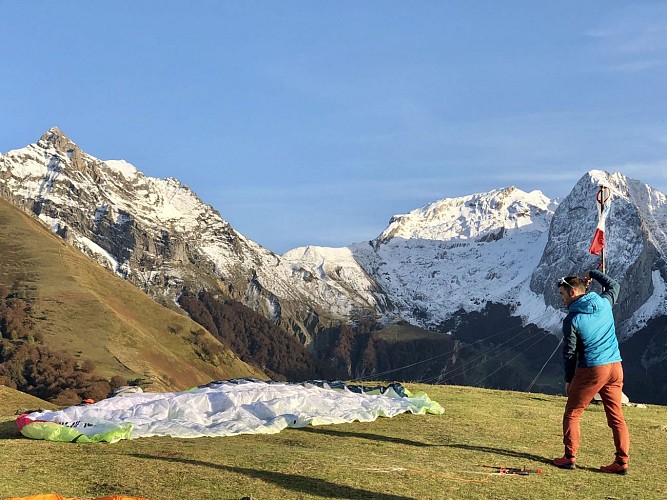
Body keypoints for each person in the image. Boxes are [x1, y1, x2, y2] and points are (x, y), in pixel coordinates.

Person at [552, 270, 630, 475]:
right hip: (615, 366)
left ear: (572, 293)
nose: (561, 299)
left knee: (573, 412)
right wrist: (593, 274)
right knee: (616, 416)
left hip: (593, 368)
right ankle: (621, 462)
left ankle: (569, 458)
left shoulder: (572, 319)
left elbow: (569, 353)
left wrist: (569, 379)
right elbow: (615, 285)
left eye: (562, 294)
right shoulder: (604, 303)